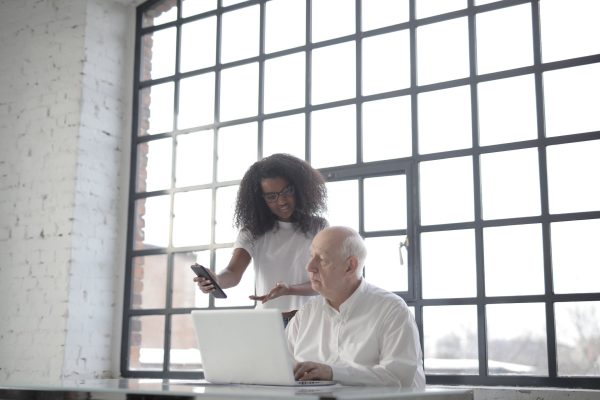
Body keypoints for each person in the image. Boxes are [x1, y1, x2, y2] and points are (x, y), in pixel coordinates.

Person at [287, 226, 426, 387]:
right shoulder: (306, 313)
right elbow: (279, 365)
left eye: (322, 259)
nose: (309, 267)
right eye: (311, 256)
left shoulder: (392, 310)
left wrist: (332, 373)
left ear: (350, 266)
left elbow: (398, 378)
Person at [194, 153, 328, 313]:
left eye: (287, 191)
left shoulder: (318, 227)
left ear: (299, 189)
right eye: (272, 196)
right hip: (269, 320)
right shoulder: (252, 232)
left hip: (312, 319)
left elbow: (324, 281)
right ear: (261, 200)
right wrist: (216, 280)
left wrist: (289, 289)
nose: (282, 201)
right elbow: (232, 273)